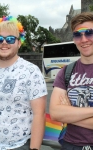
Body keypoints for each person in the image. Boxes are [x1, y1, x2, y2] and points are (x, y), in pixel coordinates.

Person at [0, 16, 47, 150]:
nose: (4, 43)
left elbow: (40, 114)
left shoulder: (31, 71)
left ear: (19, 42)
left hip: (17, 146)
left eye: (10, 39)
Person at [49, 12, 93, 149]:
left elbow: (62, 115)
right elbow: (55, 113)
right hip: (70, 145)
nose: (84, 39)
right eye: (77, 35)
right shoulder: (66, 71)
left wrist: (69, 113)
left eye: (89, 33)